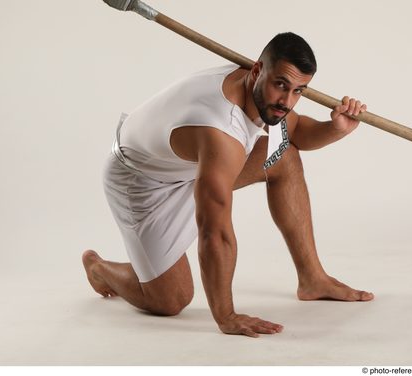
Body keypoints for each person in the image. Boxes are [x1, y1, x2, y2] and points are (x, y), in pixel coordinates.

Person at [82, 32, 373, 338]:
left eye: (298, 90)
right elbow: (214, 232)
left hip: (186, 166)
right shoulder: (221, 130)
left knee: (283, 154)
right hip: (141, 182)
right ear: (258, 71)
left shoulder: (262, 93)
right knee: (170, 299)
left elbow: (296, 132)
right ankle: (99, 267)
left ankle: (313, 279)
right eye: (281, 85)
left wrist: (336, 129)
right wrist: (226, 315)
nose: (287, 101)